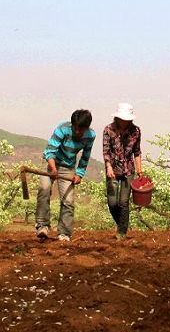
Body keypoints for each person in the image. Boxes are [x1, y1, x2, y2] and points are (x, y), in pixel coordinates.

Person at [35, 109, 95, 242]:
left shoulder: (91, 135)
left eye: (81, 129)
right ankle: (42, 226)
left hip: (68, 167)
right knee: (44, 190)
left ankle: (64, 233)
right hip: (51, 162)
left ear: (87, 127)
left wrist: (79, 174)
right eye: (75, 128)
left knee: (68, 200)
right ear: (72, 124)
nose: (78, 132)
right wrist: (53, 168)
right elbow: (50, 151)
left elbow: (85, 156)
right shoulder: (62, 129)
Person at [102, 102, 142, 239]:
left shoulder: (136, 131)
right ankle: (121, 224)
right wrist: (108, 167)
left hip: (129, 170)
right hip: (112, 169)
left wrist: (140, 171)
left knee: (123, 202)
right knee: (112, 202)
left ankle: (122, 232)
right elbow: (106, 151)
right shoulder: (108, 130)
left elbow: (137, 152)